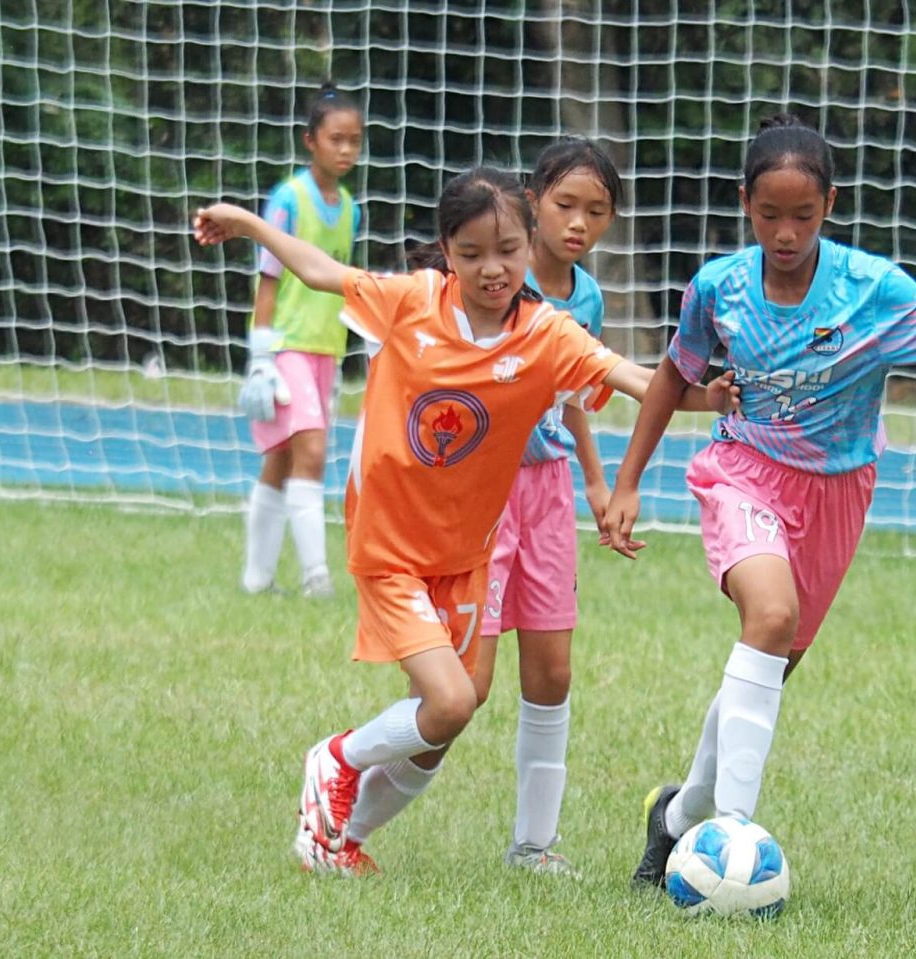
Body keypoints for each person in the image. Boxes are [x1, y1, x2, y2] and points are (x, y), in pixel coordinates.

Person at [193, 166, 727, 877]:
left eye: (507, 249)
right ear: (447, 250)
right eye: (472, 252)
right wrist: (253, 224)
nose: (493, 267)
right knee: (446, 700)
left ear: (527, 242)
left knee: (448, 717)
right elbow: (322, 271)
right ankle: (335, 758)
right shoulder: (411, 302)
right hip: (390, 546)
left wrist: (708, 398)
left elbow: (633, 378)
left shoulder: (547, 334)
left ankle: (335, 839)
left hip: (466, 553)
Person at [598, 114, 916, 888]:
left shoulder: (871, 291)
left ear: (830, 205)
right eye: (769, 215)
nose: (785, 233)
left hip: (838, 493)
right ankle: (737, 839)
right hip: (742, 469)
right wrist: (627, 483)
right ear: (745, 202)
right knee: (770, 616)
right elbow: (670, 378)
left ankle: (680, 816)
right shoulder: (718, 288)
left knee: (772, 659)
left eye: (804, 216)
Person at [463, 139, 621, 876]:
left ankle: (533, 844)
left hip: (550, 487)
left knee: (553, 671)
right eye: (565, 205)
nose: (579, 223)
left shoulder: (585, 298)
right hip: (482, 490)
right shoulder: (498, 286)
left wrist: (597, 482)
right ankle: (350, 781)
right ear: (532, 202)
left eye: (596, 211)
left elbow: (577, 393)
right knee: (464, 685)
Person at [239, 83, 364, 600]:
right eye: (336, 139)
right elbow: (268, 279)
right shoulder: (288, 200)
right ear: (310, 140)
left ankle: (257, 579)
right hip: (286, 347)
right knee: (311, 450)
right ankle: (317, 577)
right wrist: (261, 356)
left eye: (355, 141)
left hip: (325, 349)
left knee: (285, 458)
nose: (346, 150)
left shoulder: (351, 206)